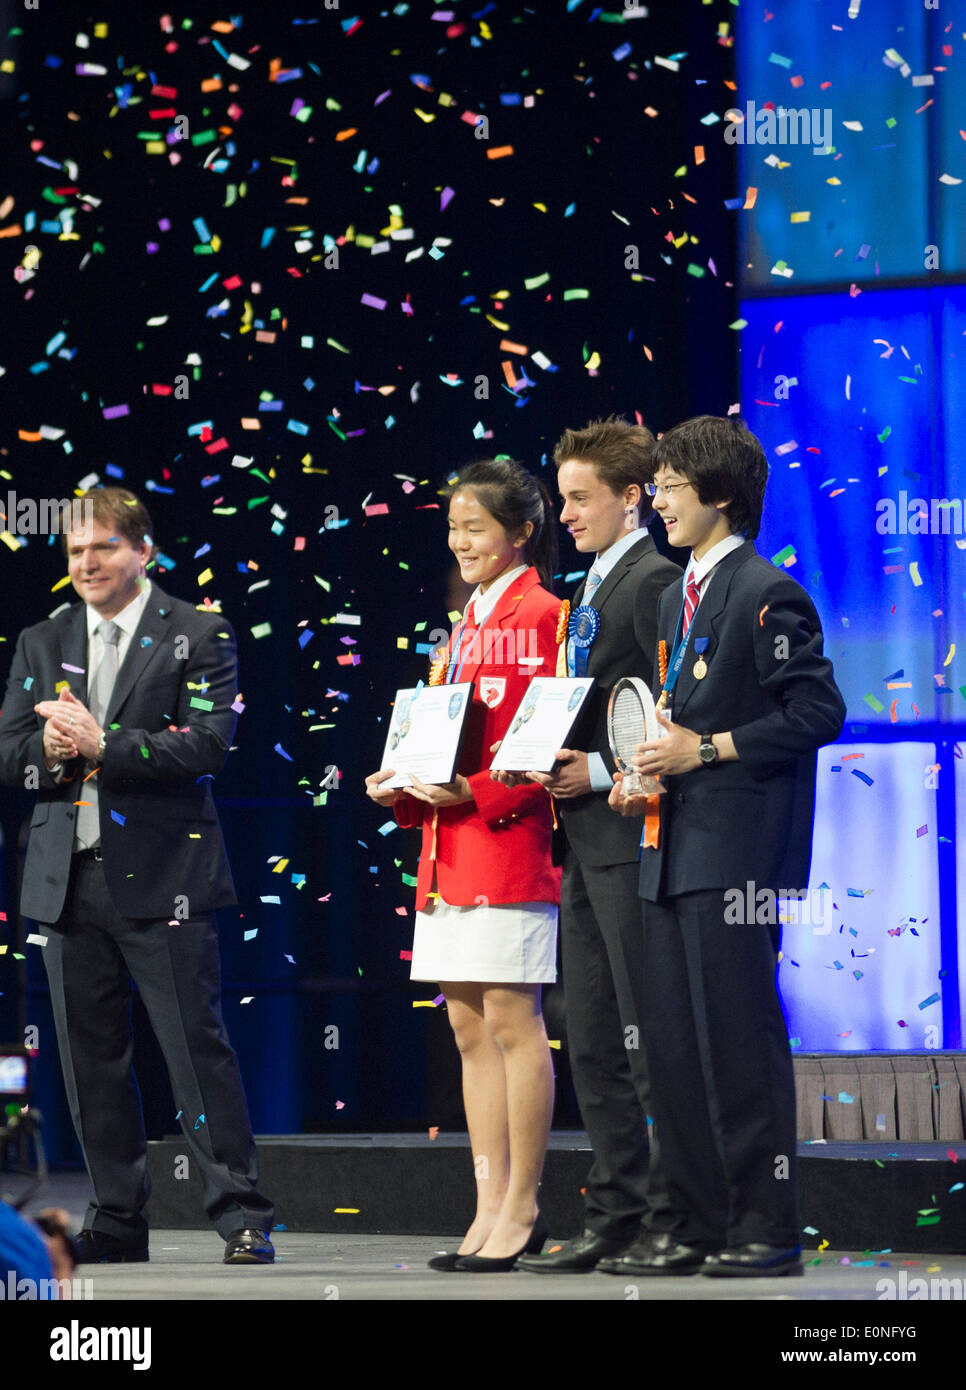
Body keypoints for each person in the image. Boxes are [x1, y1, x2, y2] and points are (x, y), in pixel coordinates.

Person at [0, 488, 275, 1265]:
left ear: (142, 551)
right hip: (65, 881)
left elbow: (209, 745)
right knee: (91, 1064)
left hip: (167, 878)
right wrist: (48, 754)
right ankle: (117, 1217)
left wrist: (103, 743)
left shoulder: (198, 631)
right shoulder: (42, 639)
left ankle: (243, 1215)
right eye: (76, 552)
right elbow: (7, 752)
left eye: (104, 548)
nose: (87, 563)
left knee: (196, 1050)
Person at [605, 415, 845, 1277]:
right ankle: (694, 1224)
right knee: (668, 1048)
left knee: (737, 1045)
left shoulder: (767, 592)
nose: (658, 500)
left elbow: (817, 713)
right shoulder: (673, 596)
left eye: (669, 486)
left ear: (720, 495)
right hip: (667, 848)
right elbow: (679, 715)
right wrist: (647, 769)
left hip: (734, 855)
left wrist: (705, 751)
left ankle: (765, 1228)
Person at [365, 458, 563, 1272]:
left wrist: (467, 793)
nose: (462, 541)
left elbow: (543, 744)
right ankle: (487, 1204)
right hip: (448, 851)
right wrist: (403, 787)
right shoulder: (466, 625)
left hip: (509, 845)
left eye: (476, 527)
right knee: (466, 1025)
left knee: (516, 1024)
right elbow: (443, 736)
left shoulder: (548, 615)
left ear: (522, 532)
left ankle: (523, 1207)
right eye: (453, 528)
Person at [498, 417, 682, 1274]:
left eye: (580, 499)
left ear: (632, 499)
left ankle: (668, 1215)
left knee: (643, 1034)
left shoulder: (655, 582)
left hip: (630, 836)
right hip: (581, 838)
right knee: (596, 1035)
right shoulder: (595, 585)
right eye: (563, 497)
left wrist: (602, 767)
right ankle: (615, 1212)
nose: (565, 514)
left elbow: (671, 712)